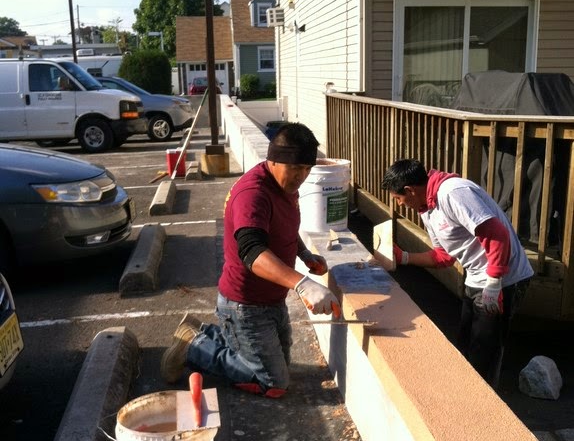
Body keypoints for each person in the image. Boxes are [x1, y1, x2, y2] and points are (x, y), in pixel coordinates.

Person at [161, 122, 341, 398]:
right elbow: (252, 252)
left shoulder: (285, 185)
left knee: (283, 364)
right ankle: (194, 347)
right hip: (245, 303)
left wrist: (303, 254)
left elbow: (283, 228)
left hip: (271, 298)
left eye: (307, 169)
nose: (301, 177)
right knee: (275, 383)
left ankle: (210, 335)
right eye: (295, 168)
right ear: (274, 160)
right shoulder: (253, 195)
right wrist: (302, 284)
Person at [381, 159, 534, 389]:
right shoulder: (428, 210)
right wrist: (403, 257)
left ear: (410, 190)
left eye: (398, 199)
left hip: (504, 278)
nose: (400, 205)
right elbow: (443, 257)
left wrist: (494, 284)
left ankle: (483, 411)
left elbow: (497, 235)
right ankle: (470, 396)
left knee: (484, 353)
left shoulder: (454, 193)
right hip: (476, 277)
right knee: (466, 345)